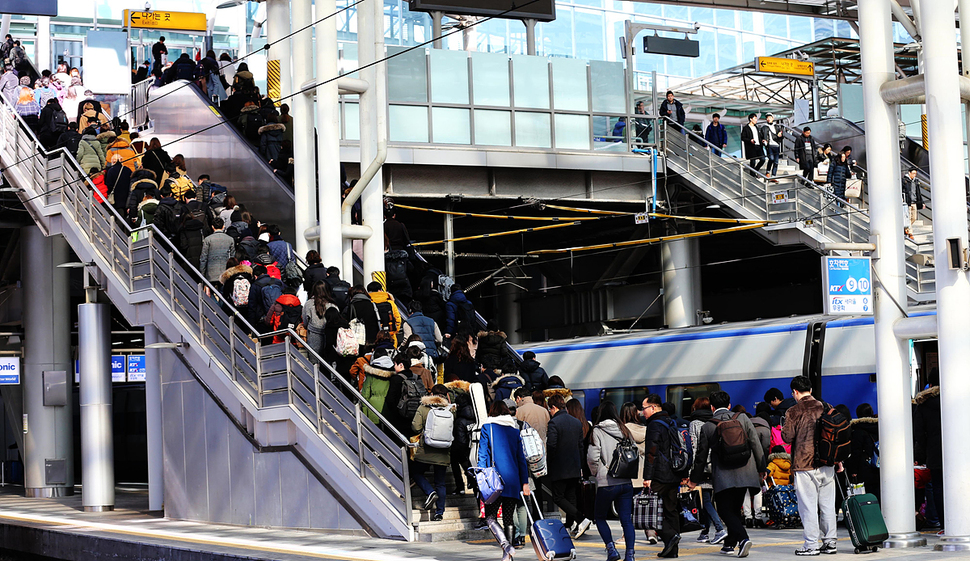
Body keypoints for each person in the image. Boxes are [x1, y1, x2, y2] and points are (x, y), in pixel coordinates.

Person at [687, 391, 763, 558]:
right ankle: (729, 544)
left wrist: (693, 480)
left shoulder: (708, 426)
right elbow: (755, 444)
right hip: (746, 471)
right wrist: (762, 468)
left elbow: (700, 457)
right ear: (729, 405)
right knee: (735, 509)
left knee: (723, 509)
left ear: (712, 407)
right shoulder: (743, 418)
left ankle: (743, 539)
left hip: (723, 475)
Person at [782, 376, 837, 556]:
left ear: (795, 392)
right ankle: (830, 543)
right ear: (811, 390)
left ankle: (811, 545)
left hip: (805, 465)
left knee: (808, 506)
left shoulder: (793, 411)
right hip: (827, 463)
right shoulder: (826, 406)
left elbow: (787, 437)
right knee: (828, 506)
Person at [479, 399, 531, 561]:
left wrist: (481, 475)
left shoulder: (487, 428)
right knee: (508, 517)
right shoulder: (515, 431)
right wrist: (525, 482)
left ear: (492, 411)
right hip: (513, 479)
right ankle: (507, 555)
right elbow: (521, 459)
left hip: (494, 480)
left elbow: (483, 455)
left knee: (490, 517)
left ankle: (505, 545)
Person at [586, 401, 637, 561]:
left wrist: (597, 473)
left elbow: (592, 457)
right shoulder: (624, 429)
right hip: (626, 481)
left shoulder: (597, 430)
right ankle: (630, 554)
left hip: (607, 482)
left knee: (600, 517)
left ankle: (612, 550)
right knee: (626, 520)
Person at [641, 394, 683, 558]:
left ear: (653, 407)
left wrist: (647, 476)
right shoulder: (671, 421)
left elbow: (652, 452)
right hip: (674, 473)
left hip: (659, 474)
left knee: (648, 510)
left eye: (644, 408)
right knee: (671, 510)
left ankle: (669, 536)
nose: (642, 412)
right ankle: (673, 550)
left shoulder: (654, 425)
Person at [546, 393, 592, 540]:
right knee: (571, 496)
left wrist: (550, 463)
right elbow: (580, 447)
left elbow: (551, 446)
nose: (550, 412)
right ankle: (572, 525)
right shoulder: (576, 422)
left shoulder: (554, 423)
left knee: (558, 497)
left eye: (550, 409)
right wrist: (580, 466)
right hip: (574, 467)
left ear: (553, 407)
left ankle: (581, 519)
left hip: (559, 467)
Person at [411, 383, 454, 522]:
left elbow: (415, 427)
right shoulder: (450, 409)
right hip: (443, 451)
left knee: (416, 473)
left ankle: (430, 492)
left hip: (426, 449)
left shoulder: (424, 407)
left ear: (431, 394)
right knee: (440, 483)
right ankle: (439, 513)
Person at [687, 397, 727, 546]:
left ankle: (719, 529)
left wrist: (692, 470)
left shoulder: (695, 424)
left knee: (705, 500)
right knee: (707, 498)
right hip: (716, 465)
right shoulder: (714, 421)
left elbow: (695, 447)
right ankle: (704, 531)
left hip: (703, 466)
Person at [914, 368, 942, 534]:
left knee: (937, 487)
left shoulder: (923, 405)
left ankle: (944, 525)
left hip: (935, 454)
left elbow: (919, 433)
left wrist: (922, 455)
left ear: (930, 384)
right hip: (960, 453)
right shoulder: (960, 399)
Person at [383, 354, 423, 438]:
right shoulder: (416, 377)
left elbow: (390, 399)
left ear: (401, 365)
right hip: (414, 415)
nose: (394, 367)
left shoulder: (396, 379)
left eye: (395, 364)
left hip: (399, 417)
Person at [368, 281, 403, 346]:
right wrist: (394, 332)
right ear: (380, 290)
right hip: (390, 337)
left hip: (375, 338)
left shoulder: (369, 303)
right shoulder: (390, 302)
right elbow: (398, 319)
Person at [760, 114, 783, 181]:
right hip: (769, 145)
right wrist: (763, 141)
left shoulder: (777, 127)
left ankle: (773, 176)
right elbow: (761, 136)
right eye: (767, 118)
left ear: (773, 118)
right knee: (771, 158)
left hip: (776, 145)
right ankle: (768, 172)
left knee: (776, 162)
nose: (768, 119)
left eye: (770, 117)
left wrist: (780, 136)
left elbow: (781, 136)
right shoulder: (764, 127)